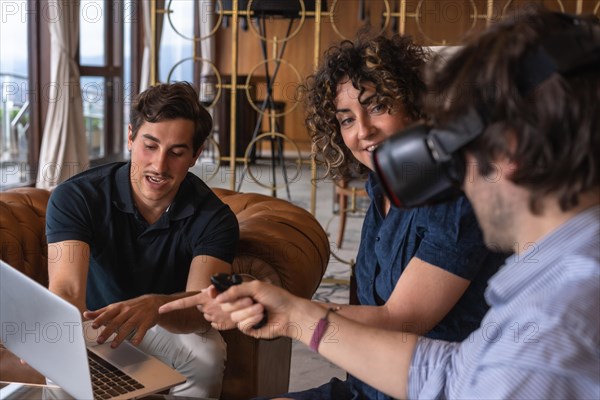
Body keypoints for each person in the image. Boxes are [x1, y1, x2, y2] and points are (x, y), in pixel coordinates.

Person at [172, 7, 600, 399]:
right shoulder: (545, 276)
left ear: (507, 150)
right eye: (346, 119)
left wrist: (300, 316)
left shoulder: (555, 326)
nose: (453, 167)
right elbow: (447, 373)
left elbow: (412, 328)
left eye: (459, 142)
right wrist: (294, 315)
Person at [45, 82, 239, 398]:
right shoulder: (77, 196)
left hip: (164, 324)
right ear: (131, 137)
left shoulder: (215, 218)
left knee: (208, 354)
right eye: (150, 146)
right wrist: (52, 333)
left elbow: (200, 305)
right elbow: (67, 289)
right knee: (58, 355)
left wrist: (157, 305)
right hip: (92, 320)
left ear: (195, 155)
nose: (159, 166)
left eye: (176, 153)